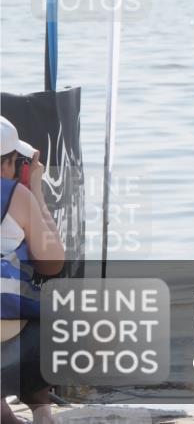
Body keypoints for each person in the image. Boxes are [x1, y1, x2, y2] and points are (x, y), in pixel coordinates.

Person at [1, 116, 65, 424]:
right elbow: (53, 262)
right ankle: (41, 409)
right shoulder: (17, 196)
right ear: (7, 165)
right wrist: (35, 190)